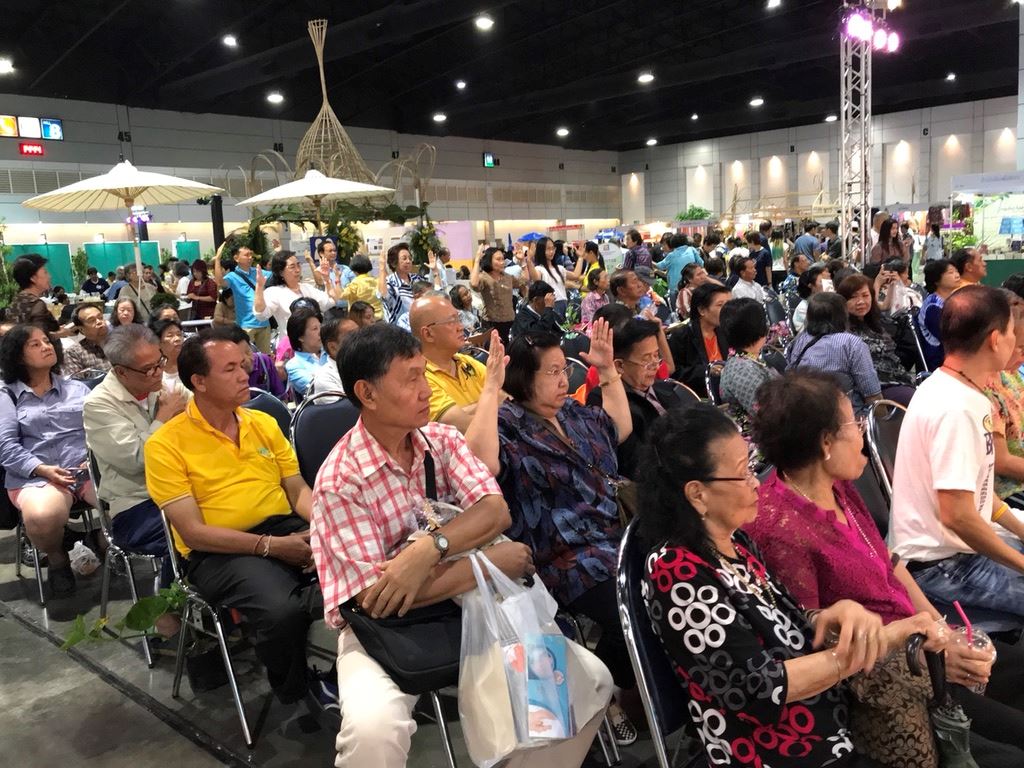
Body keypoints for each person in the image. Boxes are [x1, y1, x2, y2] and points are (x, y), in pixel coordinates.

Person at [311, 323, 609, 768]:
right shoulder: (340, 480)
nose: (425, 390)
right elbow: (373, 598)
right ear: (367, 393)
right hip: (386, 630)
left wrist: (429, 549)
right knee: (373, 730)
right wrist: (488, 564)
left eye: (423, 374)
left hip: (475, 607)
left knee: (590, 685)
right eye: (411, 378)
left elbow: (495, 510)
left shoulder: (442, 441)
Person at [638, 402, 939, 768]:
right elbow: (761, 688)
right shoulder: (675, 571)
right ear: (697, 494)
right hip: (777, 752)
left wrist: (830, 615)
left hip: (831, 727)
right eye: (742, 473)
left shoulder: (735, 543)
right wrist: (874, 644)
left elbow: (786, 620)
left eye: (752, 467)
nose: (755, 483)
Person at [747, 370, 1024, 765]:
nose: (863, 432)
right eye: (854, 424)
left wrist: (942, 632)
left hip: (921, 640)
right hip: (888, 676)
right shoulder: (781, 527)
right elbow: (814, 638)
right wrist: (929, 654)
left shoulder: (837, 486)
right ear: (826, 443)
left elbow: (891, 566)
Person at [144, 330, 333, 708]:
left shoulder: (261, 423)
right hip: (219, 550)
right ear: (199, 381)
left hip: (283, 528)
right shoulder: (166, 444)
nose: (245, 374)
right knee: (282, 611)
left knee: (363, 567)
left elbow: (296, 489)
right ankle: (298, 689)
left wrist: (323, 529)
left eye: (242, 365)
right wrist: (272, 547)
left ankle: (360, 670)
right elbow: (194, 534)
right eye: (229, 369)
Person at [477, 321, 637, 743]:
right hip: (564, 556)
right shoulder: (507, 424)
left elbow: (618, 428)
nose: (564, 380)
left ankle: (610, 684)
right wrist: (491, 388)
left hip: (615, 536)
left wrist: (608, 371)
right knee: (636, 605)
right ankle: (603, 690)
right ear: (523, 378)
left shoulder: (571, 413)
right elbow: (482, 464)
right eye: (551, 372)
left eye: (563, 369)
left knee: (669, 583)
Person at [890, 285, 1024, 633]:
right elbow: (958, 516)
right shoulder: (956, 408)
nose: (1016, 341)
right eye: (1013, 332)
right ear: (995, 339)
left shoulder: (956, 390)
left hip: (957, 552)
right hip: (940, 566)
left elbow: (981, 496)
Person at [84, 324, 186, 584]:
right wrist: (164, 417)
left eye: (160, 362)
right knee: (192, 532)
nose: (158, 372)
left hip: (183, 488)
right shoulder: (99, 404)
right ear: (121, 371)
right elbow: (137, 460)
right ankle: (174, 601)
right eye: (149, 369)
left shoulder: (165, 387)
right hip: (137, 504)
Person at [0, 325, 97, 596]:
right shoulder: (6, 394)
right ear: (17, 356)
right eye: (35, 344)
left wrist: (94, 458)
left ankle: (100, 539)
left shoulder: (77, 389)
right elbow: (5, 446)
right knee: (43, 516)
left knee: (134, 497)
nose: (46, 346)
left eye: (47, 341)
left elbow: (100, 430)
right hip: (37, 476)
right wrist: (42, 469)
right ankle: (57, 558)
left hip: (86, 469)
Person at [585, 318, 691, 479]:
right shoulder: (604, 401)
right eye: (646, 359)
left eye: (656, 355)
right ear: (620, 365)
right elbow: (634, 463)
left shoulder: (664, 388)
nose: (655, 365)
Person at [786, 293, 882, 414]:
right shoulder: (852, 344)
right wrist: (883, 422)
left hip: (804, 413)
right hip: (846, 417)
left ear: (809, 316)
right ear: (843, 315)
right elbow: (872, 394)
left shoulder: (798, 340)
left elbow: (790, 376)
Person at [838, 274, 915, 396]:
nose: (860, 302)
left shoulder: (874, 323)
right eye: (853, 297)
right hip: (872, 388)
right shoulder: (843, 331)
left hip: (898, 378)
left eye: (865, 295)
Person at [718, 297, 779, 449]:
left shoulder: (746, 359)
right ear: (759, 328)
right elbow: (769, 416)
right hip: (758, 444)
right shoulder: (742, 369)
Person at [668, 282, 731, 397]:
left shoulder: (725, 330)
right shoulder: (682, 335)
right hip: (701, 395)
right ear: (702, 310)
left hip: (727, 390)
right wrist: (707, 371)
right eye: (720, 305)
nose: (727, 310)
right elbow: (674, 373)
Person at [254, 250, 336, 331]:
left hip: (314, 338)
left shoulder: (307, 288)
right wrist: (259, 287)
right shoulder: (274, 292)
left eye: (298, 265)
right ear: (281, 272)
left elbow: (328, 302)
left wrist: (327, 279)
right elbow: (261, 315)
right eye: (292, 267)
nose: (297, 270)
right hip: (290, 339)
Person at [214, 241, 273, 353]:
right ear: (236, 258)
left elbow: (276, 275)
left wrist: (277, 253)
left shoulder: (258, 271)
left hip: (264, 322)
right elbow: (220, 282)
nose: (250, 257)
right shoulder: (232, 276)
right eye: (246, 255)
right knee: (244, 356)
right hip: (246, 324)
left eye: (251, 254)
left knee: (265, 357)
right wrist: (217, 259)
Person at [470, 245, 524, 345]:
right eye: (498, 259)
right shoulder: (484, 277)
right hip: (491, 323)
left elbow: (524, 281)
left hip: (510, 321)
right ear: (489, 260)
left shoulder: (507, 277)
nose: (502, 262)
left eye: (503, 259)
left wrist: (523, 261)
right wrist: (477, 260)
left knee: (511, 350)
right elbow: (474, 284)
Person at [919, 258, 961, 370]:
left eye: (956, 271)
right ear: (937, 280)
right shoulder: (933, 306)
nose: (957, 275)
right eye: (950, 272)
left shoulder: (950, 300)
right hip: (940, 360)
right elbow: (948, 337)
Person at [8, 254, 61, 335]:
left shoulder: (16, 300)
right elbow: (39, 337)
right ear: (33, 278)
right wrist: (61, 333)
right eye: (45, 272)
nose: (49, 276)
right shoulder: (36, 304)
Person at [378, 242, 426, 330]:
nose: (408, 261)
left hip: (419, 327)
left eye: (410, 258)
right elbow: (383, 295)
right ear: (394, 263)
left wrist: (435, 271)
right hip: (397, 330)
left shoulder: (417, 279)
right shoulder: (390, 282)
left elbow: (433, 294)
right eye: (404, 258)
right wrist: (382, 267)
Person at [528, 236, 582, 315]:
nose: (551, 251)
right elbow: (536, 279)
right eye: (548, 249)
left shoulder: (560, 268)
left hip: (563, 303)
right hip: (550, 305)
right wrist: (529, 260)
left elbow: (576, 275)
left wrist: (581, 257)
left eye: (553, 248)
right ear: (541, 251)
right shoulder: (539, 269)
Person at [309, 316, 358, 399]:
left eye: (360, 333)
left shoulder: (370, 363)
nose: (360, 339)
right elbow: (349, 407)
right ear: (333, 347)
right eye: (353, 337)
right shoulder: (325, 378)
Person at [283, 311, 329, 398]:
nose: (321, 332)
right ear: (301, 337)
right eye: (315, 329)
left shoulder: (331, 351)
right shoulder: (294, 365)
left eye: (320, 327)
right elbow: (319, 390)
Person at [63, 303, 111, 378]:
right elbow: (76, 383)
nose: (99, 322)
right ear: (81, 329)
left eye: (101, 317)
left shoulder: (120, 342)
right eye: (92, 320)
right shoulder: (74, 352)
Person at [149, 317, 189, 398]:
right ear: (159, 342)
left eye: (179, 334)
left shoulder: (192, 365)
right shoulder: (153, 371)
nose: (177, 339)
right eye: (170, 335)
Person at [338, 254, 383, 320]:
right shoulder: (376, 281)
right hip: (378, 317)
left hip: (362, 319)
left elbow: (341, 295)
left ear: (354, 270)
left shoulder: (355, 283)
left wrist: (337, 278)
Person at [792, 263, 831, 332]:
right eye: (822, 282)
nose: (828, 285)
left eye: (829, 281)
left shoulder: (834, 302)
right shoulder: (803, 308)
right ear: (811, 286)